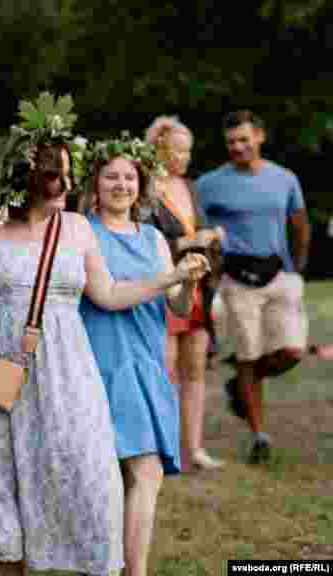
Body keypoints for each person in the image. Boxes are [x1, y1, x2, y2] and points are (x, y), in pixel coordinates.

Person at [0, 94, 209, 576]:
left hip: (65, 366)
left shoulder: (77, 228)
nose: (64, 182)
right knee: (0, 475)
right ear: (25, 176)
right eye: (53, 173)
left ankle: (104, 565)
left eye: (66, 172)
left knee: (84, 471)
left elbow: (110, 294)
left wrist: (171, 279)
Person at [79, 138, 197, 576]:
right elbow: (106, 296)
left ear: (141, 184)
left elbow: (178, 306)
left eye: (129, 177)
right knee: (127, 474)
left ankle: (128, 570)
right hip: (102, 361)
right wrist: (171, 276)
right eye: (111, 175)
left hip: (146, 363)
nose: (121, 184)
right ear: (95, 181)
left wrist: (187, 281)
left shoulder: (153, 237)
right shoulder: (83, 231)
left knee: (143, 474)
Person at [196, 110, 311, 464]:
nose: (238, 147)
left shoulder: (284, 178)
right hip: (236, 280)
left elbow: (300, 225)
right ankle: (259, 436)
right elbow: (195, 225)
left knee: (292, 351)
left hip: (279, 275)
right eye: (231, 142)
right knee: (247, 356)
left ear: (260, 137)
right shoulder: (210, 184)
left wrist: (297, 269)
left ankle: (239, 387)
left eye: (244, 140)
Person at [145, 116, 226, 471]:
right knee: (167, 371)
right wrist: (188, 241)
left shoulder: (190, 187)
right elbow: (145, 240)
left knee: (196, 369)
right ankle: (163, 448)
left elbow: (201, 227)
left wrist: (212, 235)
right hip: (166, 286)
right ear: (158, 146)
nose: (183, 157)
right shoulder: (145, 188)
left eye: (187, 151)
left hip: (198, 288)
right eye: (177, 149)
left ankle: (194, 449)